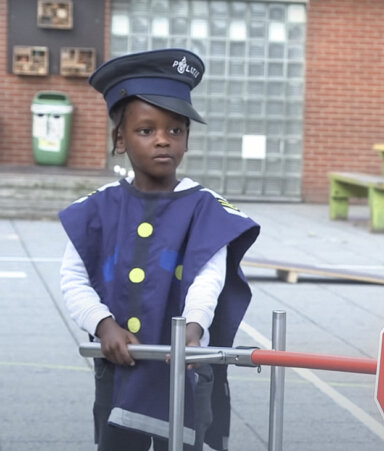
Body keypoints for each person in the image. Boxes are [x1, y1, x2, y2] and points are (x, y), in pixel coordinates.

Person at [59, 48, 260, 451]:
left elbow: (208, 277)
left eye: (175, 130)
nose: (163, 139)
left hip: (185, 367)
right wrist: (103, 324)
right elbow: (73, 278)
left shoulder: (204, 206)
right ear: (120, 139)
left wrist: (193, 328)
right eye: (146, 130)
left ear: (187, 137)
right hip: (120, 367)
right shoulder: (98, 207)